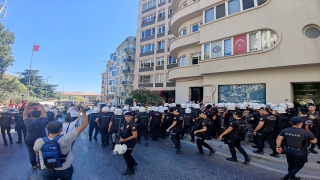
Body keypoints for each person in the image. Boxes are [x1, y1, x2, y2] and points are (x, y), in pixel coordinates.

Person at [33, 109, 88, 180]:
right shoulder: (67, 138)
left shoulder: (39, 141)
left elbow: (37, 153)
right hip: (64, 168)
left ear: (48, 129)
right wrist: (83, 113)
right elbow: (84, 125)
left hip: (46, 169)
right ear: (61, 129)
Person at [23, 103, 48, 169]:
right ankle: (40, 163)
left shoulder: (28, 122)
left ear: (31, 115)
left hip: (30, 139)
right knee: (41, 151)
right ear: (40, 115)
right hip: (41, 140)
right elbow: (45, 113)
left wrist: (28, 106)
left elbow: (25, 114)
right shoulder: (43, 121)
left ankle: (33, 165)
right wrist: (40, 106)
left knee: (31, 152)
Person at [119, 111, 138, 175]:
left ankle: (130, 170)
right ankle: (133, 162)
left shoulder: (133, 124)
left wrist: (124, 139)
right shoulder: (126, 122)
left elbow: (135, 135)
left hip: (130, 142)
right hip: (125, 140)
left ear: (132, 117)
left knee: (126, 155)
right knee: (128, 154)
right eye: (125, 116)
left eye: (128, 116)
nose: (126, 118)